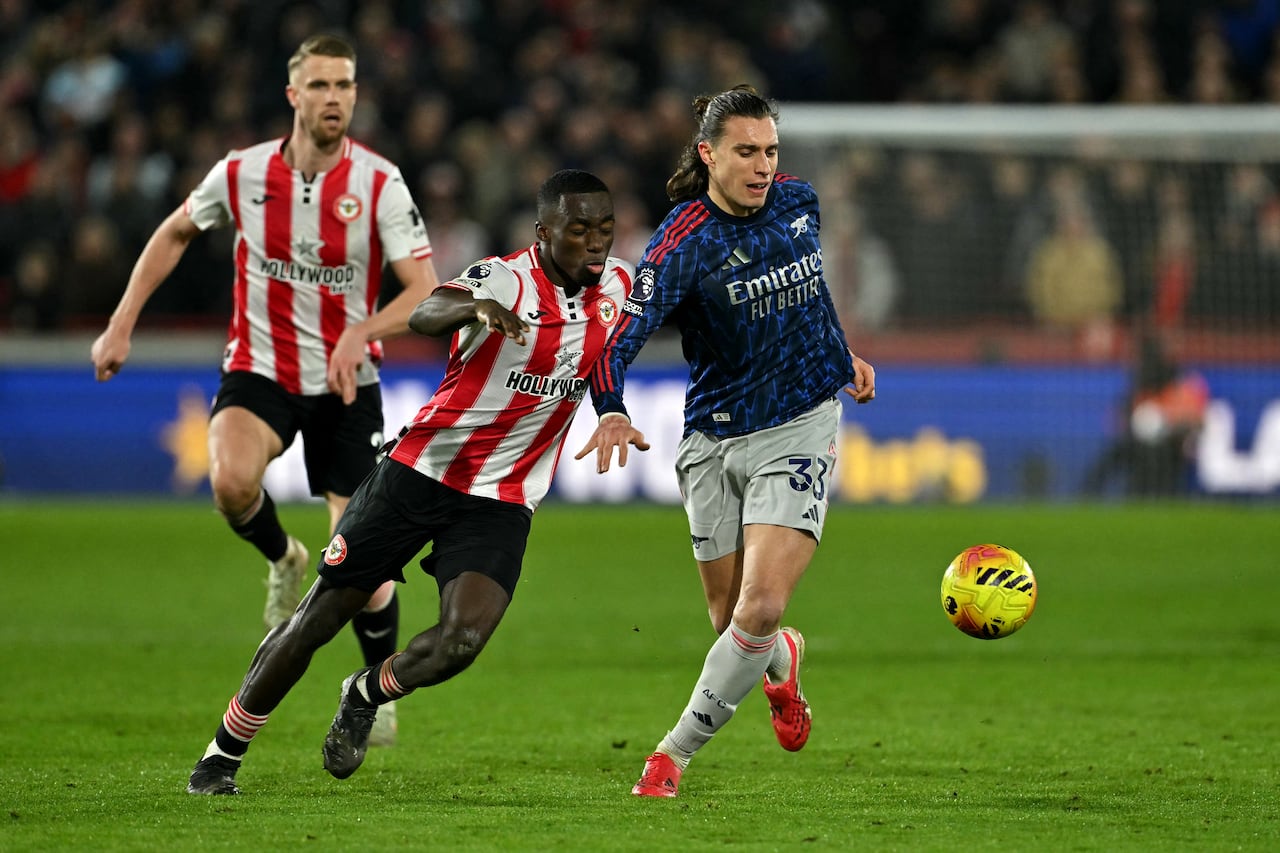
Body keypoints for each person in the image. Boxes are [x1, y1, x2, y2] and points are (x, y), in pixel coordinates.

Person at [184, 168, 634, 795]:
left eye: (605, 228)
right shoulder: (504, 278)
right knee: (318, 619)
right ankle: (222, 754)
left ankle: (365, 690)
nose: (595, 242)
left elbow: (617, 352)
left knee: (462, 641)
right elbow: (426, 311)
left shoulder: (620, 287)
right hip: (420, 473)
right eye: (579, 229)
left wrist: (612, 410)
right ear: (543, 232)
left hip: (501, 498)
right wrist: (476, 308)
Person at [90, 34, 440, 746]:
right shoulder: (242, 172)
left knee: (366, 563)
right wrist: (121, 323)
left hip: (347, 382)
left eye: (345, 85)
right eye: (320, 85)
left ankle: (374, 692)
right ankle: (283, 557)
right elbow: (175, 232)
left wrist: (362, 328)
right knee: (229, 483)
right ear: (293, 95)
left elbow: (425, 291)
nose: (335, 98)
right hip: (261, 367)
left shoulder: (380, 182)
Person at [574, 84, 877, 798]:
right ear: (708, 155)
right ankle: (781, 662)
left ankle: (669, 757)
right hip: (714, 435)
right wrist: (610, 409)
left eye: (770, 150)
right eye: (746, 151)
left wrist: (840, 354)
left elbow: (814, 294)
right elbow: (619, 340)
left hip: (800, 424)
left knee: (759, 607)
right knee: (730, 619)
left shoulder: (799, 202)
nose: (763, 165)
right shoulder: (683, 244)